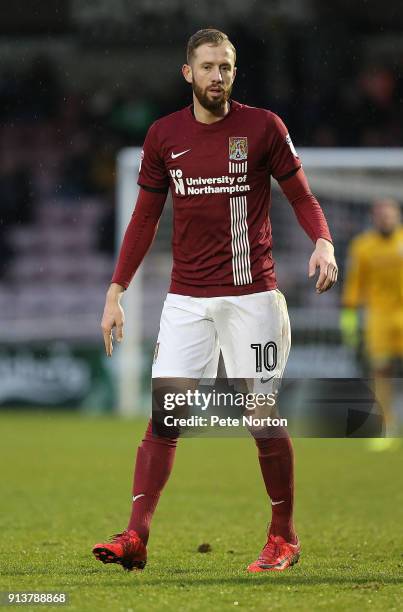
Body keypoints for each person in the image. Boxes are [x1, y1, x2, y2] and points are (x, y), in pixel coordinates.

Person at [92, 29, 337, 573]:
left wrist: (322, 239)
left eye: (225, 67)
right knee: (165, 415)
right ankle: (136, 535)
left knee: (259, 413)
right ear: (188, 73)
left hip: (253, 297)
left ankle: (284, 536)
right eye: (207, 67)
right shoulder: (163, 136)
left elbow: (301, 194)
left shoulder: (263, 127)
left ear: (234, 71)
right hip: (186, 300)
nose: (217, 76)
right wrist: (116, 290)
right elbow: (144, 218)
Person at [341, 197, 403, 450]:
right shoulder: (362, 246)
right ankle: (387, 426)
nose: (386, 219)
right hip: (378, 315)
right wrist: (349, 317)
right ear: (374, 218)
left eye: (390, 215)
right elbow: (355, 281)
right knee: (380, 371)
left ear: (397, 216)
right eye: (381, 215)